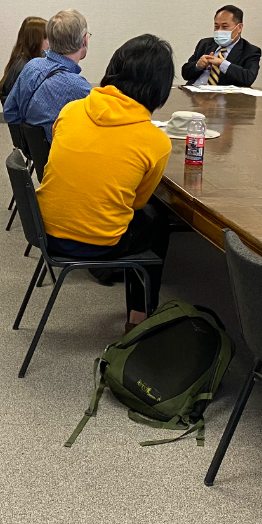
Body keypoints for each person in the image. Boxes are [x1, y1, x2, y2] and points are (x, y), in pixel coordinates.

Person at [36, 35, 176, 332]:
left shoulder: (71, 111)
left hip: (43, 231)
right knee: (156, 220)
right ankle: (139, 318)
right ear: (160, 89)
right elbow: (136, 203)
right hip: (97, 244)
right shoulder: (156, 142)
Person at [2, 9, 93, 142]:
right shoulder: (78, 87)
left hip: (35, 154)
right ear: (84, 40)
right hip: (63, 157)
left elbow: (10, 112)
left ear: (49, 39)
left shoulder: (32, 66)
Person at [181, 4, 262, 87]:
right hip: (194, 94)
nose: (219, 30)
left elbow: (248, 78)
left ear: (239, 28)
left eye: (225, 26)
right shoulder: (204, 44)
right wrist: (198, 65)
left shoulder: (251, 51)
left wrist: (222, 63)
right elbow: (185, 73)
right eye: (216, 26)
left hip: (222, 98)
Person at [0, 16, 48, 105]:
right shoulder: (24, 67)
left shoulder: (22, 61)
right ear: (35, 40)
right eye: (46, 38)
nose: (49, 43)